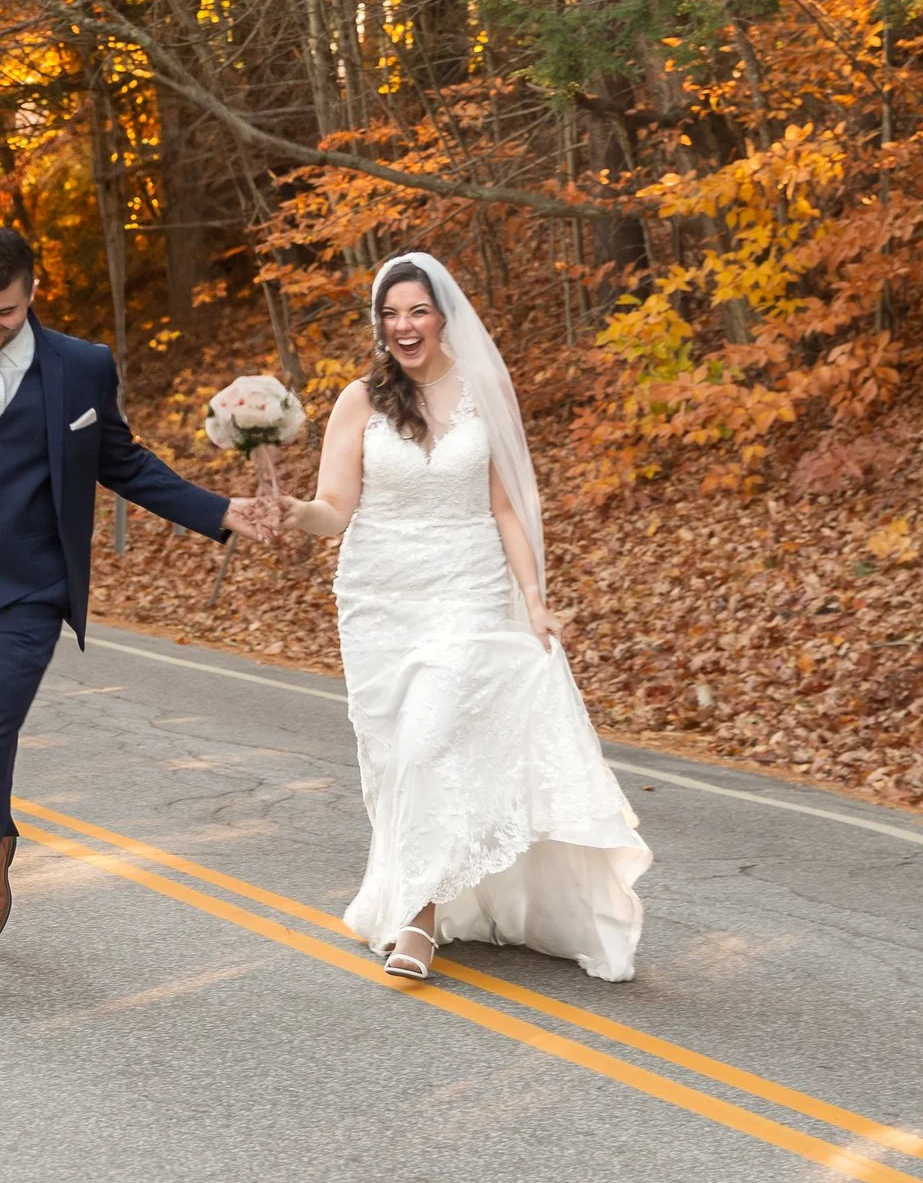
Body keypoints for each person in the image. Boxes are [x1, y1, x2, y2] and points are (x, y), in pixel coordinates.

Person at [0, 226, 274, 1004]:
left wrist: (219, 511)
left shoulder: (80, 367)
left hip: (25, 593)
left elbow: (121, 460)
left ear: (33, 293)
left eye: (2, 310)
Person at [278, 252, 650, 981]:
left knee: (425, 745)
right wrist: (293, 513)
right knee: (395, 759)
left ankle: (420, 922)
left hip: (468, 594)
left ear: (443, 316)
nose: (403, 326)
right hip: (379, 600)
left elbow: (508, 506)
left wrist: (534, 600)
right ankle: (416, 893)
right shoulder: (360, 401)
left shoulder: (484, 392)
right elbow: (335, 510)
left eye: (416, 311)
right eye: (390, 315)